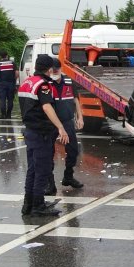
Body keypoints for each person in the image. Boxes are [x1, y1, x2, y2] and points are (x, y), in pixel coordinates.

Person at [18, 54, 69, 216]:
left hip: (30, 131)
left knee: (32, 169)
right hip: (42, 133)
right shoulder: (43, 85)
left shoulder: (27, 82)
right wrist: (60, 127)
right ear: (49, 69)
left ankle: (29, 204)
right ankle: (38, 205)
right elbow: (47, 107)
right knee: (43, 169)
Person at [45, 59, 84, 195]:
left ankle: (68, 176)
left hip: (67, 121)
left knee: (73, 150)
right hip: (51, 123)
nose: (55, 72)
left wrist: (80, 117)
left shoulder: (68, 81)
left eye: (57, 70)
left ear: (60, 69)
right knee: (48, 152)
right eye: (52, 70)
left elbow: (75, 99)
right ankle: (49, 183)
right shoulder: (46, 84)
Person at [0, 50, 17, 119]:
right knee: (10, 99)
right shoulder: (12, 63)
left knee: (2, 99)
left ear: (0, 56)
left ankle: (3, 115)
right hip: (11, 83)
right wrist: (14, 80)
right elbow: (17, 73)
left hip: (2, 84)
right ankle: (9, 115)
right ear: (7, 55)